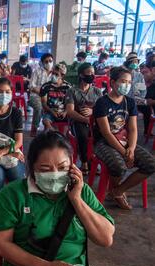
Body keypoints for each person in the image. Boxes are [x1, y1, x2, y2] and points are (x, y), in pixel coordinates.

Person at [0, 130, 115, 266]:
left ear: (72, 165)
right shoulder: (12, 196)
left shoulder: (81, 191)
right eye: (45, 169)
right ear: (32, 167)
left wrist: (77, 200)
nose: (55, 174)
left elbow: (105, 238)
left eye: (62, 167)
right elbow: (1, 244)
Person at [93, 67, 155, 210]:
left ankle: (117, 191)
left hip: (123, 140)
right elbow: (107, 133)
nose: (126, 85)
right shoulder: (102, 103)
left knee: (151, 164)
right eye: (123, 81)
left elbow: (133, 129)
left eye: (129, 82)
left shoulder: (130, 102)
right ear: (113, 82)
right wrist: (123, 152)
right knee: (119, 166)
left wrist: (131, 150)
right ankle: (115, 192)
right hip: (103, 142)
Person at [65, 63, 103, 175]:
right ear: (81, 75)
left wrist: (93, 112)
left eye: (93, 73)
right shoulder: (72, 91)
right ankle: (85, 161)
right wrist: (85, 119)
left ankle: (95, 159)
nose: (91, 75)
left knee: (101, 134)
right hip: (77, 120)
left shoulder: (97, 91)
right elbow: (70, 111)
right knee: (83, 135)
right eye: (89, 73)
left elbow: (102, 110)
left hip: (94, 120)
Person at [124, 53, 150, 136]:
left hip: (136, 100)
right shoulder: (123, 74)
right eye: (134, 62)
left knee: (147, 108)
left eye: (136, 62)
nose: (135, 64)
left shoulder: (139, 75)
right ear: (129, 63)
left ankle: (146, 131)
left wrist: (140, 99)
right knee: (129, 109)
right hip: (124, 99)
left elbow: (143, 90)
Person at [40, 63, 72, 131]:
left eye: (56, 74)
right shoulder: (46, 86)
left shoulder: (68, 87)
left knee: (71, 120)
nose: (54, 76)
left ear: (62, 75)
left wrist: (65, 112)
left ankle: (63, 136)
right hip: (50, 111)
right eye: (53, 73)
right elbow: (44, 103)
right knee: (45, 120)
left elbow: (70, 103)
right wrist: (52, 111)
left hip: (64, 112)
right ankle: (53, 132)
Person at [29, 53, 54, 136]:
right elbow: (31, 86)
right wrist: (41, 92)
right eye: (46, 61)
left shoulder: (55, 73)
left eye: (50, 61)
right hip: (36, 96)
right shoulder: (37, 71)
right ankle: (34, 128)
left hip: (50, 97)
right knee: (39, 108)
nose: (48, 63)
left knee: (55, 107)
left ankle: (47, 128)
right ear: (42, 63)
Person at [144, 60, 155, 137]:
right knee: (147, 109)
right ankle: (147, 131)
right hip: (143, 101)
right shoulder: (144, 74)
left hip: (151, 101)